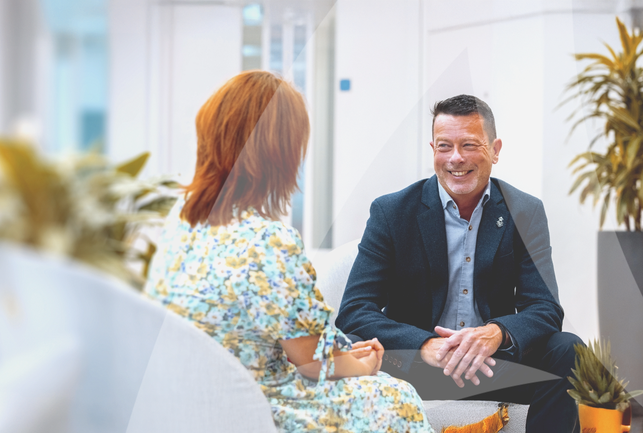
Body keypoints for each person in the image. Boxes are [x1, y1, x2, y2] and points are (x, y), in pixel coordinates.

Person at [144, 70, 434, 433]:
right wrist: (362, 366)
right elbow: (313, 363)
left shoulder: (180, 221)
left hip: (183, 404)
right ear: (277, 153)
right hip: (253, 407)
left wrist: (337, 353)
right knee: (397, 398)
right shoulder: (268, 241)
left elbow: (254, 333)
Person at [336, 94, 582, 433]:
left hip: (492, 365)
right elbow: (354, 310)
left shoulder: (524, 211)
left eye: (469, 145)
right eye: (444, 146)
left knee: (568, 349)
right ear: (432, 149)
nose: (455, 158)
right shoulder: (391, 212)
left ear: (495, 150)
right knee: (348, 344)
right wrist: (424, 344)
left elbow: (545, 308)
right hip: (414, 366)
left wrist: (496, 333)